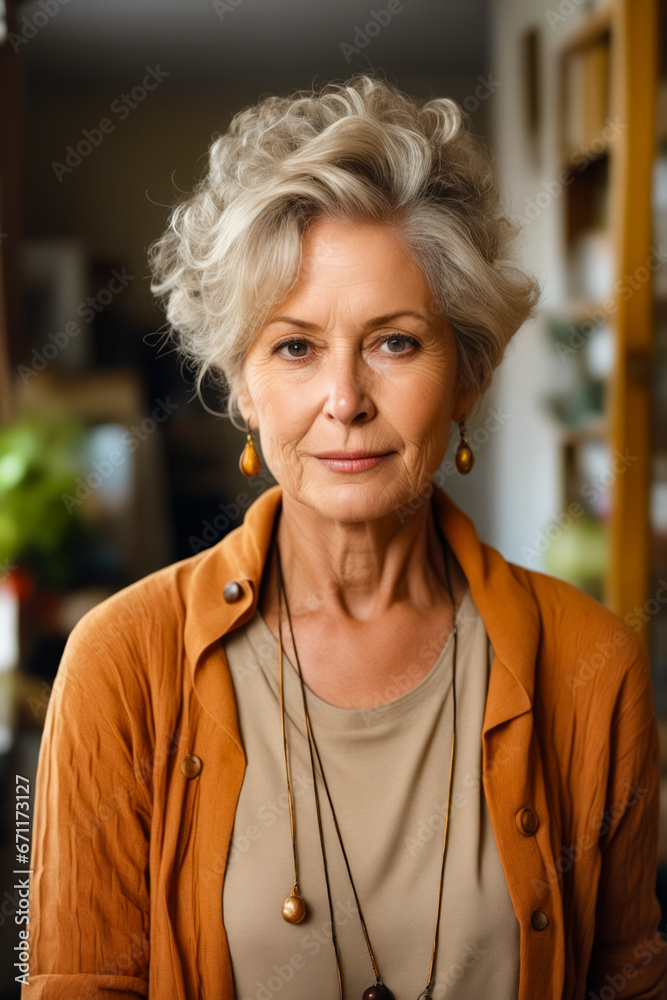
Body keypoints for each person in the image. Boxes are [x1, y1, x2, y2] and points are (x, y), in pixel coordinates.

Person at [23, 73, 665, 1000]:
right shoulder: (123, 665)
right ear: (241, 388)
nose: (345, 401)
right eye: (294, 347)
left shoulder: (591, 667)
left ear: (468, 375)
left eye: (395, 341)